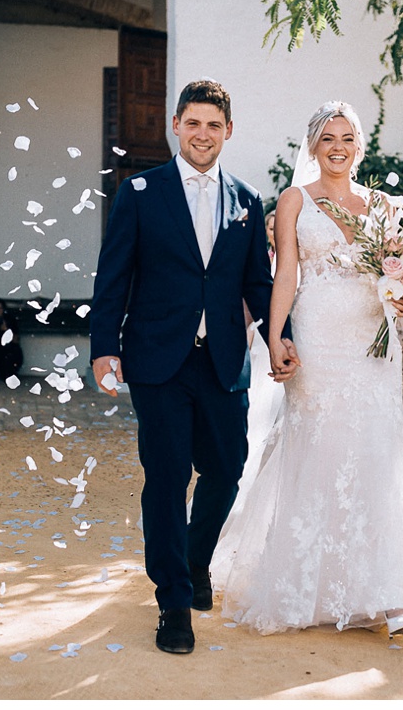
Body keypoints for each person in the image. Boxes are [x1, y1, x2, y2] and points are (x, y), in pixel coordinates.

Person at [213, 100, 403, 639]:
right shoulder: (295, 200)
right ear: (313, 146)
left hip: (373, 343)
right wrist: (275, 337)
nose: (338, 147)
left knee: (377, 450)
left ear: (359, 145)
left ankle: (390, 593)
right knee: (320, 449)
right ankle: (308, 585)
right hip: (318, 338)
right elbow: (285, 279)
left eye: (346, 137)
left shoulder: (388, 207)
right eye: (327, 138)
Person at [89, 79, 298, 655]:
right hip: (157, 359)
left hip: (226, 358)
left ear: (227, 131)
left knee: (227, 467)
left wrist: (279, 336)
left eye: (214, 125)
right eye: (193, 123)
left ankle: (194, 559)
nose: (203, 133)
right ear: (175, 125)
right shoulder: (140, 191)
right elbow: (114, 277)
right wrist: (104, 346)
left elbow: (258, 280)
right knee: (166, 478)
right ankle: (174, 602)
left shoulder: (247, 200)